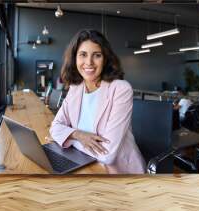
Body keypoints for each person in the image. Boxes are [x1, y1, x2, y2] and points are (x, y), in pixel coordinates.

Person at [49, 29, 146, 174]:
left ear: (105, 59)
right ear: (74, 58)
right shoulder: (76, 88)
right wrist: (79, 135)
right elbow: (55, 127)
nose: (89, 62)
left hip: (118, 173)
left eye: (97, 55)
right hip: (83, 165)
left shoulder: (120, 89)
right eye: (83, 55)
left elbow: (107, 155)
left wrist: (66, 137)